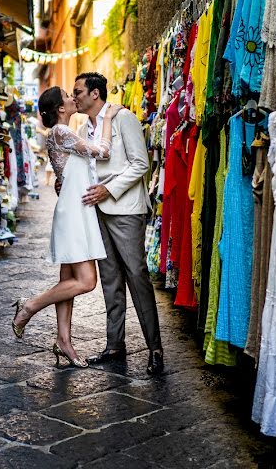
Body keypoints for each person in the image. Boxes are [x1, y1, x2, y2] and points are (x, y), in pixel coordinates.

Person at [11, 87, 122, 367]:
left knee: (67, 283)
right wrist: (108, 119)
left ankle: (64, 342)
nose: (73, 98)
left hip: (76, 209)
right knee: (86, 282)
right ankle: (30, 306)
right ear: (61, 108)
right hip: (74, 213)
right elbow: (102, 152)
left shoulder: (64, 133)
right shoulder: (61, 132)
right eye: (68, 96)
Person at [73, 72, 164, 375]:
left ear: (95, 93)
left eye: (79, 91)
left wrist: (108, 189)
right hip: (97, 209)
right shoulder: (86, 126)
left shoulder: (124, 118)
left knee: (137, 276)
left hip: (125, 209)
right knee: (110, 279)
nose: (75, 97)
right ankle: (115, 345)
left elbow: (141, 164)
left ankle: (155, 348)